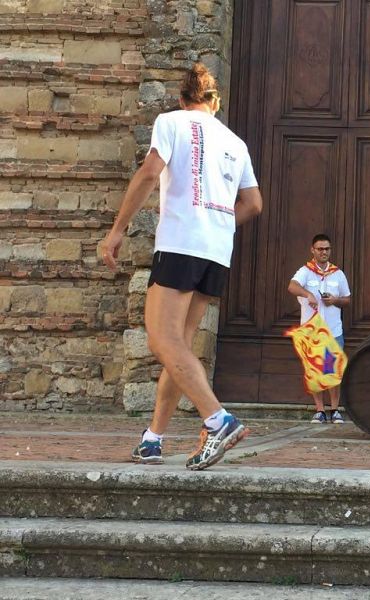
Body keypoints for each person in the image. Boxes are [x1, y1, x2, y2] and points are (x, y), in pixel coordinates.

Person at [98, 63, 263, 469]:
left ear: (182, 98)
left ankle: (218, 419)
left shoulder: (170, 121)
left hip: (180, 244)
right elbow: (255, 204)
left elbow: (150, 172)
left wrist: (117, 230)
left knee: (161, 340)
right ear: (215, 101)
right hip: (215, 252)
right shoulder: (235, 142)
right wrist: (220, 223)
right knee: (180, 346)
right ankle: (153, 438)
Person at [288, 233, 351, 424]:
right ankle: (320, 410)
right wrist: (308, 294)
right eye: (320, 249)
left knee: (332, 371)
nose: (324, 252)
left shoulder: (338, 274)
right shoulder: (305, 272)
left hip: (333, 330)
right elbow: (292, 286)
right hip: (312, 331)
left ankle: (335, 409)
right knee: (315, 371)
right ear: (312, 250)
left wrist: (335, 300)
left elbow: (347, 299)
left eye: (327, 249)